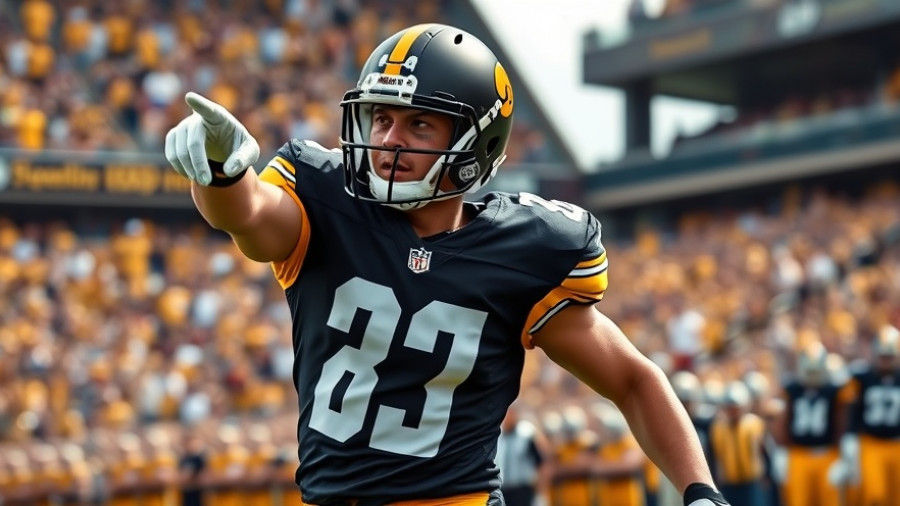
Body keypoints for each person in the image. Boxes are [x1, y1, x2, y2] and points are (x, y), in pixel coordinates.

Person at [164, 22, 729, 506]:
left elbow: (631, 381)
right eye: (382, 119)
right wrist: (219, 171)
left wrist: (700, 492)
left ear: (476, 144)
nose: (390, 141)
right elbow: (249, 218)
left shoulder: (523, 251)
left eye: (419, 125)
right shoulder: (327, 207)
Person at [835, 324, 900, 506]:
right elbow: (849, 408)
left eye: (890, 356)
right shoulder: (861, 377)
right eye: (882, 356)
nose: (885, 360)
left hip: (897, 444)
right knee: (874, 496)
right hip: (871, 444)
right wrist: (849, 437)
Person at [496, 404, 545, 506]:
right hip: (502, 489)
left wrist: (540, 491)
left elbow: (540, 464)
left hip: (523, 488)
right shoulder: (498, 435)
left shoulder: (526, 433)